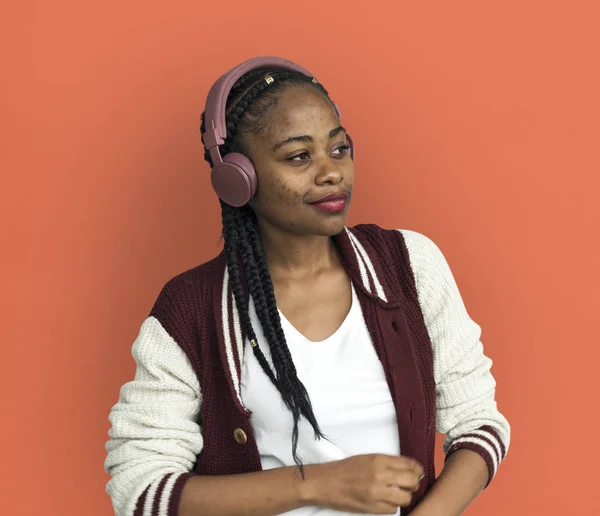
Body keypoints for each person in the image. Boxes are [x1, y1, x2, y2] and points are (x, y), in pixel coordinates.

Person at [104, 56, 510, 516]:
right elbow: (139, 489)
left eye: (339, 149)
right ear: (239, 179)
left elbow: (479, 424)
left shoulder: (409, 267)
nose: (331, 172)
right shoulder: (193, 310)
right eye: (300, 156)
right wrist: (316, 484)